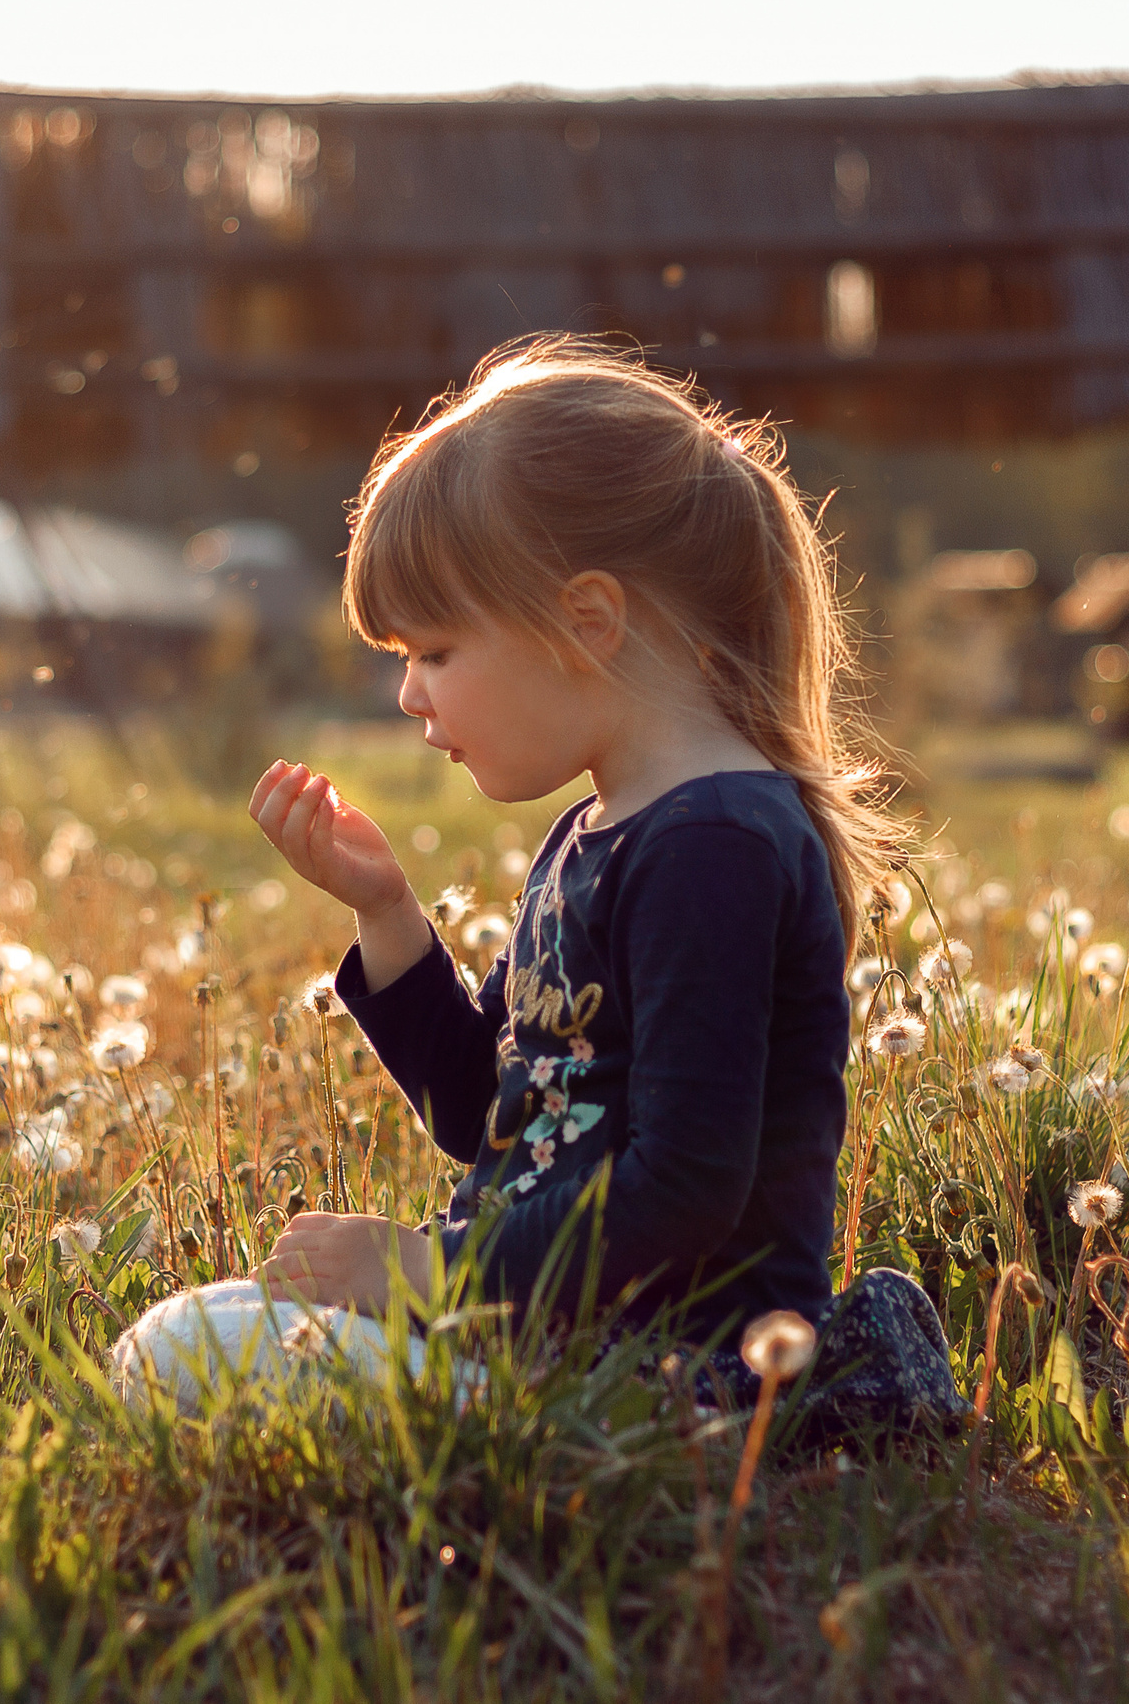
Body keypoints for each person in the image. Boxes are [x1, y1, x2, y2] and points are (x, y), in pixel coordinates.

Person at [126, 338, 966, 1448]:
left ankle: (814, 1407)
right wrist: (386, 917)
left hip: (668, 1379)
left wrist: (429, 1270)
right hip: (545, 1337)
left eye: (434, 649)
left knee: (179, 1357)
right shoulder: (602, 833)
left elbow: (687, 1189)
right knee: (196, 1336)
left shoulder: (716, 848)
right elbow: (493, 1114)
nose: (409, 695)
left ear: (585, 622)